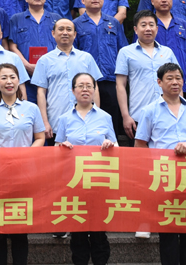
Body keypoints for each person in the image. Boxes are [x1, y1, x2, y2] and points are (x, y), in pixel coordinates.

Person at [134, 63, 186, 246]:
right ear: (159, 82)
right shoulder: (149, 111)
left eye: (178, 78)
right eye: (169, 78)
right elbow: (140, 145)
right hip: (164, 176)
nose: (175, 82)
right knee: (167, 229)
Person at [0, 63, 46, 265]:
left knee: (20, 226)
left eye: (12, 77)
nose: (9, 81)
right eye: (3, 78)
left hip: (24, 174)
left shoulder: (31, 109)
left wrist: (27, 154)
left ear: (19, 81)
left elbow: (40, 137)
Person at [54, 72, 117, 265]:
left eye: (89, 86)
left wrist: (110, 145)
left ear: (95, 90)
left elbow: (116, 146)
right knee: (78, 230)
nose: (85, 89)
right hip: (74, 180)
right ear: (73, 91)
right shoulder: (64, 119)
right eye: (80, 86)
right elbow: (56, 148)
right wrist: (62, 146)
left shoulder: (105, 117)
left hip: (99, 179)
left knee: (98, 230)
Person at [31, 18, 103, 143]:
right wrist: (44, 122)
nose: (65, 32)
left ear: (74, 34)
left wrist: (96, 116)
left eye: (69, 29)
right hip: (56, 121)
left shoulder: (86, 58)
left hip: (85, 122)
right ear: (53, 33)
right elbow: (41, 92)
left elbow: (95, 89)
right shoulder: (44, 60)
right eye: (61, 29)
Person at [116, 12, 178, 140]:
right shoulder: (125, 52)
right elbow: (120, 85)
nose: (148, 28)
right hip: (138, 116)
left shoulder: (167, 52)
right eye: (143, 25)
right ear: (136, 29)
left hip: (168, 115)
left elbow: (177, 82)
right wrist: (125, 116)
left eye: (151, 25)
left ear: (157, 28)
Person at [73, 0, 127, 132]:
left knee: (111, 122)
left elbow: (122, 50)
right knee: (86, 121)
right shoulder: (76, 24)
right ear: (83, 0)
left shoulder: (113, 23)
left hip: (110, 79)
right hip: (86, 82)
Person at [6, 0, 62, 103]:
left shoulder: (56, 19)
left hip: (52, 73)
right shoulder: (16, 19)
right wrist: (26, 66)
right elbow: (12, 46)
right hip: (26, 75)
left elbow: (63, 45)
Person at [148, 0, 186, 71]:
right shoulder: (147, 26)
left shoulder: (184, 25)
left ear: (172, 0)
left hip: (181, 76)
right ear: (152, 1)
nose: (164, 0)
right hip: (154, 75)